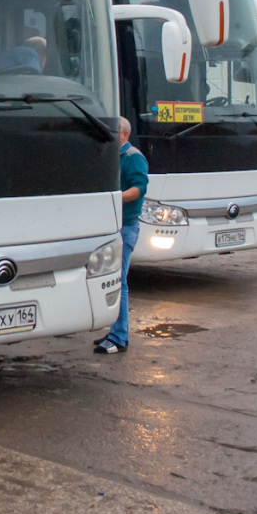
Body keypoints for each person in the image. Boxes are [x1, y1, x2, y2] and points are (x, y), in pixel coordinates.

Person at [94, 115, 149, 354]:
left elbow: (139, 188)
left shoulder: (133, 157)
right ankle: (115, 331)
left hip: (125, 226)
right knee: (114, 280)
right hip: (114, 226)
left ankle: (119, 337)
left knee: (119, 282)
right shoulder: (114, 156)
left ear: (124, 134)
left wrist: (115, 197)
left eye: (113, 131)